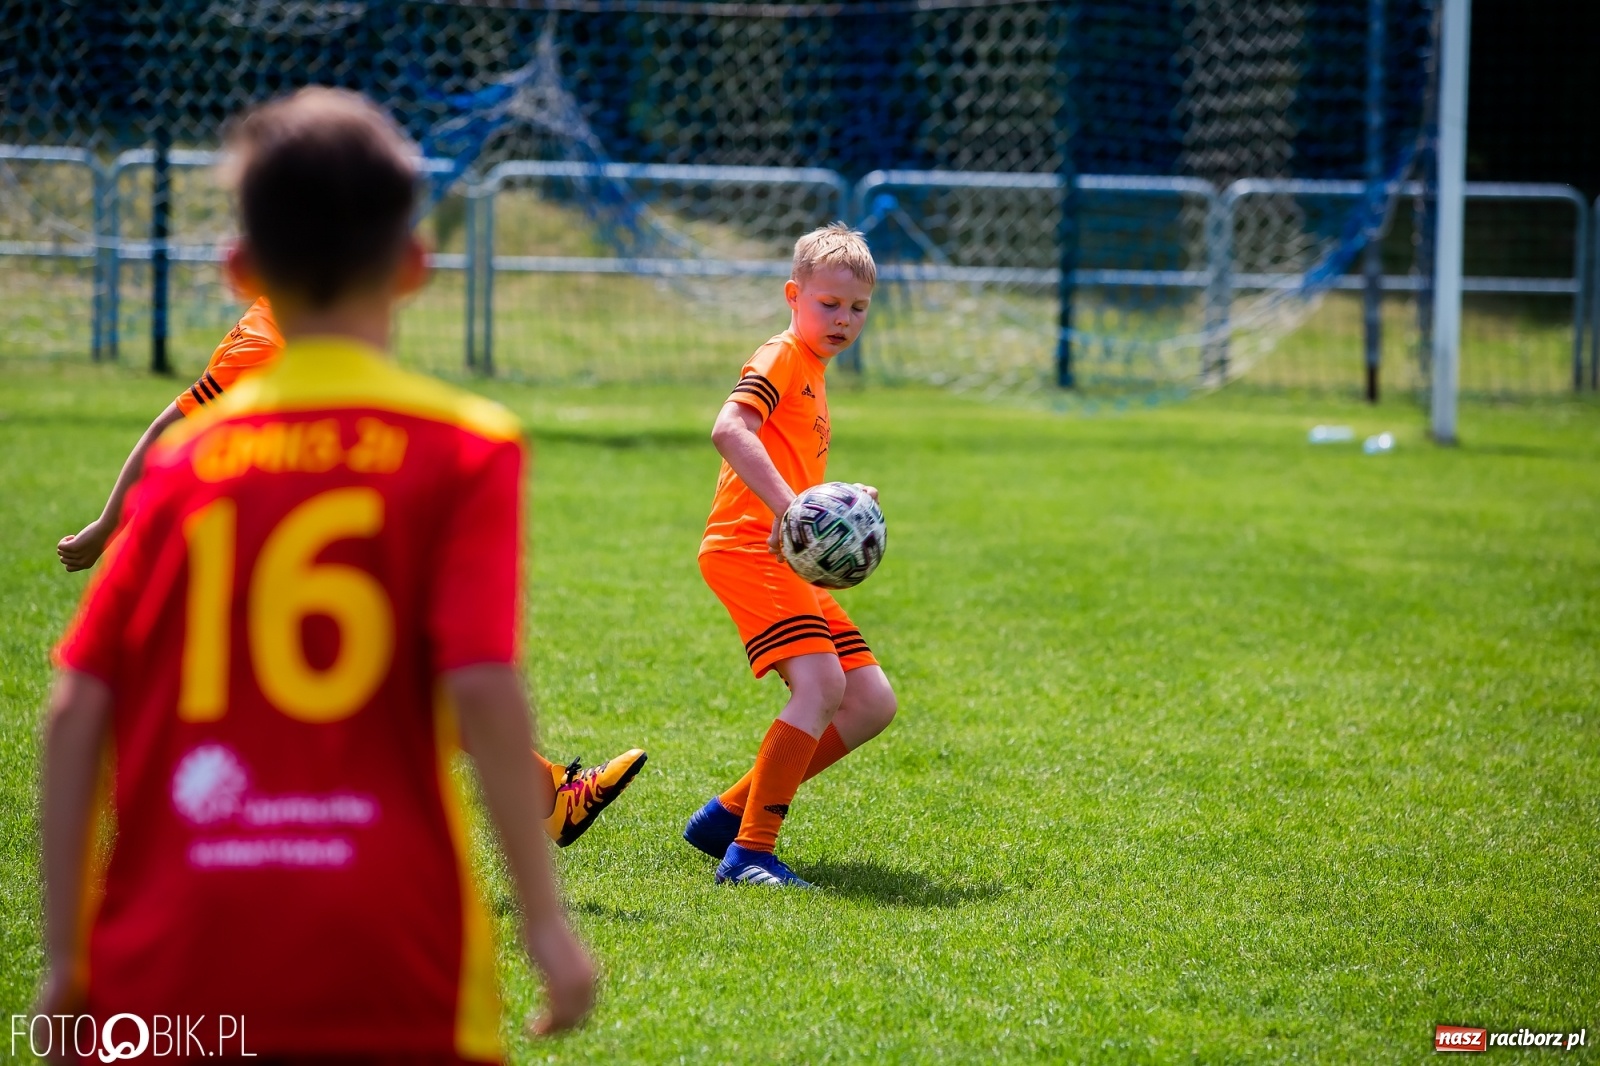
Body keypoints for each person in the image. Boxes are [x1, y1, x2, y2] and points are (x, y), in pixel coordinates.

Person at [40, 87, 598, 1060]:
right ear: (416, 267)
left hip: (178, 948)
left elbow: (76, 710)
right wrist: (545, 923)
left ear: (240, 269)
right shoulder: (466, 449)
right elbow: (479, 683)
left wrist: (63, 960)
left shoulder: (187, 465)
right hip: (386, 940)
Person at [55, 219, 641, 856]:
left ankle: (547, 796)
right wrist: (108, 524)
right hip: (250, 564)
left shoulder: (322, 336)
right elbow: (172, 427)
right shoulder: (268, 343)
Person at [682, 224, 898, 888]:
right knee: (823, 686)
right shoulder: (781, 357)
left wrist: (833, 499)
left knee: (869, 700)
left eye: (857, 308)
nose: (843, 319)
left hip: (784, 552)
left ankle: (727, 815)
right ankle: (749, 854)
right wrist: (792, 510)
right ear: (793, 296)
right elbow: (729, 428)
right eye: (829, 304)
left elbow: (785, 457)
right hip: (750, 549)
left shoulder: (814, 370)